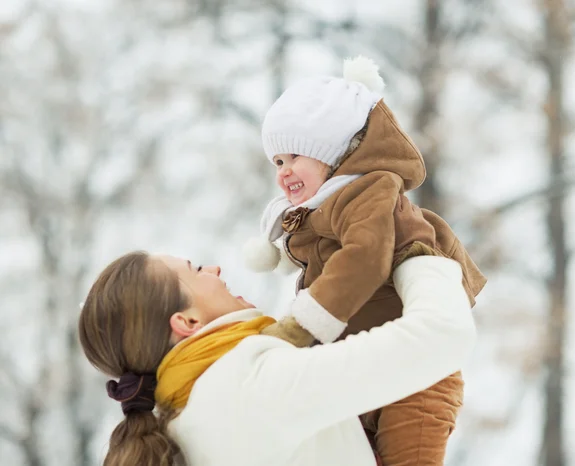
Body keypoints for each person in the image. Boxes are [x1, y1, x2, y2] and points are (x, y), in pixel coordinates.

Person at [243, 56, 487, 466]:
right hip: (362, 374)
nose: (284, 172)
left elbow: (365, 257)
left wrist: (302, 326)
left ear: (336, 152)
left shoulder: (367, 190)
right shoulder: (321, 210)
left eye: (295, 157)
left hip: (417, 381)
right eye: (278, 163)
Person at [79, 251, 476, 466]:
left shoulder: (179, 424)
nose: (214, 268)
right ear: (186, 321)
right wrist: (419, 256)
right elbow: (441, 335)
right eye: (196, 269)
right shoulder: (245, 388)